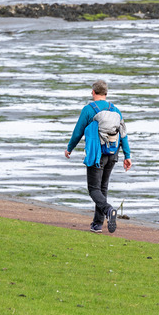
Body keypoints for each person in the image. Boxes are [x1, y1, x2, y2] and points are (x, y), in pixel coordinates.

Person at [65, 80, 132, 233]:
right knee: (103, 188)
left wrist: (69, 148)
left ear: (93, 92)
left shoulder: (88, 110)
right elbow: (124, 135)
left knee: (94, 189)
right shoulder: (115, 110)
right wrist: (127, 156)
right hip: (113, 153)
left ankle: (109, 211)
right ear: (106, 94)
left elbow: (78, 132)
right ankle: (97, 224)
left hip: (96, 154)